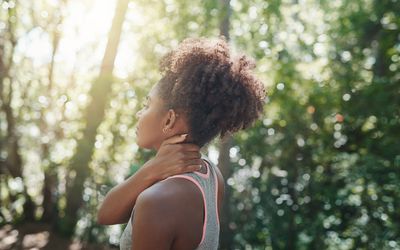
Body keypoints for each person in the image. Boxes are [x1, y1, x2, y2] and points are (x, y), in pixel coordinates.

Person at [97, 36, 266, 250]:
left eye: (147, 105)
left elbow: (104, 214)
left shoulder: (158, 201)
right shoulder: (213, 177)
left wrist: (153, 169)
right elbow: (105, 214)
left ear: (169, 119)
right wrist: (152, 169)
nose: (140, 113)